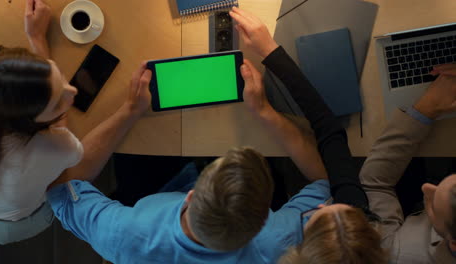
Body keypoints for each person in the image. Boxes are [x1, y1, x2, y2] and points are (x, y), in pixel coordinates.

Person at [46, 6, 385, 264]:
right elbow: (329, 177)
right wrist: (265, 113)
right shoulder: (282, 240)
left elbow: (61, 182)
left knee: (136, 160)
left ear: (191, 196)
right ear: (264, 217)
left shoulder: (120, 233)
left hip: (150, 202)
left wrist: (129, 112)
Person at [229, 7, 387, 264]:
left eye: (316, 221)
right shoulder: (355, 229)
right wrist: (269, 54)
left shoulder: (263, 242)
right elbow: (331, 151)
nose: (325, 205)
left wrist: (271, 52)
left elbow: (328, 135)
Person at [0, 0, 151, 244]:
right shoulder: (54, 146)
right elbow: (76, 158)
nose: (72, 91)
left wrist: (36, 39)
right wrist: (131, 109)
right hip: (13, 225)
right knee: (69, 179)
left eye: (60, 77)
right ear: (31, 124)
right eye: (57, 104)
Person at [359, 64, 456, 264]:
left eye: (435, 208)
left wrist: (427, 108)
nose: (427, 188)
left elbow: (373, 182)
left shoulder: (398, 253)